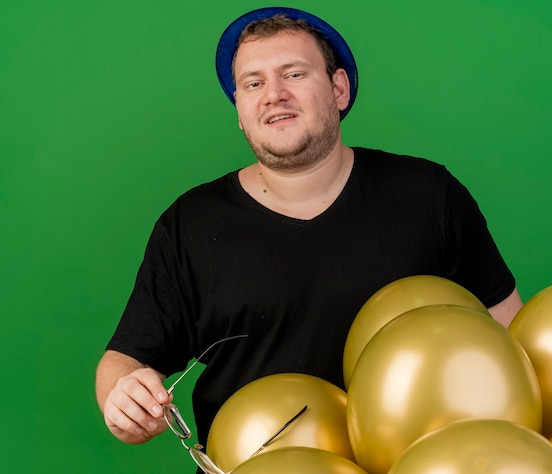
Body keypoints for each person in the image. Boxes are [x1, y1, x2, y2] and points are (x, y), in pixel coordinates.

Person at [96, 4, 523, 465]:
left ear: (339, 89)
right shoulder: (190, 224)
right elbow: (125, 360)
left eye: (294, 74)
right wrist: (122, 400)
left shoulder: (429, 195)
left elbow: (513, 339)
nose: (273, 95)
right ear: (240, 111)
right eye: (253, 83)